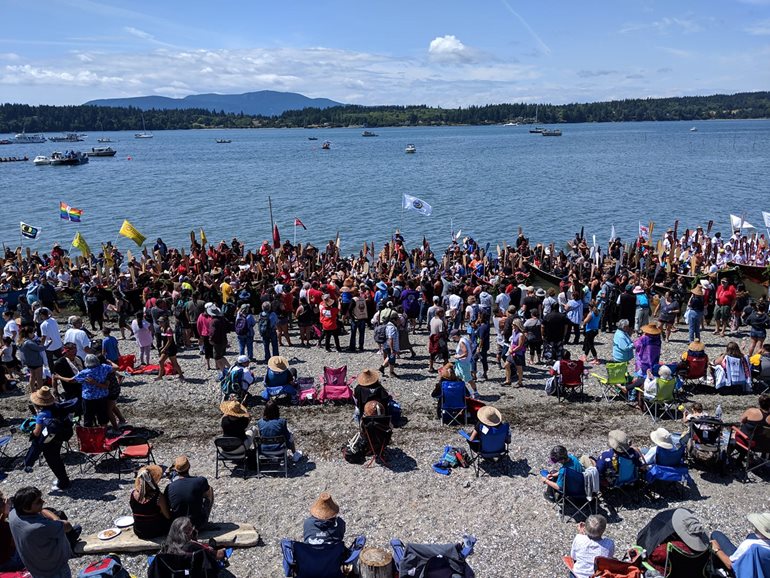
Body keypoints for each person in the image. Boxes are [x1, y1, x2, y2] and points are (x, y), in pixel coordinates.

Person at [8, 486, 81, 578]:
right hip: (55, 569)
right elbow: (67, 526)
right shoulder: (39, 527)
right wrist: (56, 519)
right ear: (26, 508)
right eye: (38, 502)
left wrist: (41, 510)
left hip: (35, 567)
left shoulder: (13, 514)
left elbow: (42, 511)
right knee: (76, 529)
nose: (43, 502)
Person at [23, 387, 73, 491]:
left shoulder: (42, 415)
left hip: (48, 441)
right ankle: (63, 479)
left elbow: (37, 433)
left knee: (53, 461)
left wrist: (30, 431)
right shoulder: (58, 407)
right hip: (59, 437)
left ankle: (63, 482)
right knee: (57, 459)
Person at [640, 508, 709, 574]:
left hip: (672, 572)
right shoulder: (705, 549)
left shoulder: (671, 548)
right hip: (693, 572)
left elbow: (654, 556)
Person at [710, 512, 770, 578]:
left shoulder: (750, 545)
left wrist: (717, 549)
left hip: (739, 572)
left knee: (716, 534)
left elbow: (730, 565)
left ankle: (717, 572)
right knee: (751, 535)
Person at [165, 456, 214, 530]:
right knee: (209, 489)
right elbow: (207, 493)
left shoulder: (169, 487)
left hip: (178, 527)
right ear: (189, 467)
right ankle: (205, 520)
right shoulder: (200, 481)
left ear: (176, 471)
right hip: (197, 525)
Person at [158, 516, 226, 563]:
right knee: (212, 545)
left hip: (176, 572)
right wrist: (223, 550)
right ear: (183, 534)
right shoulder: (191, 546)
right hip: (193, 571)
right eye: (190, 528)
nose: (193, 530)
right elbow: (218, 555)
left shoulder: (165, 548)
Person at [130, 465, 171, 539]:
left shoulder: (133, 494)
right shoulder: (158, 496)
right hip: (155, 531)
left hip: (139, 530)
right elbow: (167, 516)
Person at [0, 490, 23, 573]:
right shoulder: (6, 527)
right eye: (2, 499)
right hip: (11, 564)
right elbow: (15, 543)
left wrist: (5, 514)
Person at [19, 326, 47, 392]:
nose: (34, 334)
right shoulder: (28, 342)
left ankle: (32, 390)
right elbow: (40, 349)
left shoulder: (22, 340)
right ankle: (41, 392)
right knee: (39, 378)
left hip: (29, 363)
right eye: (33, 333)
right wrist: (49, 344)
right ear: (29, 334)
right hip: (36, 362)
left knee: (32, 376)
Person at [156, 317, 184, 381]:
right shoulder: (161, 328)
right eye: (159, 322)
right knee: (160, 361)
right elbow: (164, 340)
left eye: (161, 322)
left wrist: (164, 348)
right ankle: (160, 376)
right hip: (166, 348)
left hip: (171, 348)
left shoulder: (168, 329)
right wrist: (163, 347)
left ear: (165, 322)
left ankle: (181, 375)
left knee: (174, 363)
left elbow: (170, 341)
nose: (159, 323)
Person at [451, 328, 477, 396]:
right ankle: (460, 391)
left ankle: (475, 392)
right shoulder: (464, 338)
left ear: (456, 336)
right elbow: (471, 345)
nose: (453, 339)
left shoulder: (461, 342)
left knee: (468, 379)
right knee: (457, 376)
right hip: (463, 363)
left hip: (464, 364)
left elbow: (465, 353)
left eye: (453, 338)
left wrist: (458, 356)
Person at [208, 305, 230, 377]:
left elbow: (212, 332)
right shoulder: (222, 319)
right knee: (221, 356)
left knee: (217, 357)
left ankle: (224, 371)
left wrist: (210, 339)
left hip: (217, 341)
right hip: (224, 340)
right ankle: (229, 368)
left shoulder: (213, 321)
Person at [581, 300, 601, 365]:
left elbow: (585, 321)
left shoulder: (591, 314)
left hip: (590, 331)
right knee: (588, 344)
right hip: (595, 330)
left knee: (590, 345)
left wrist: (585, 318)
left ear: (590, 307)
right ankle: (585, 356)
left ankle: (596, 359)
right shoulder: (598, 312)